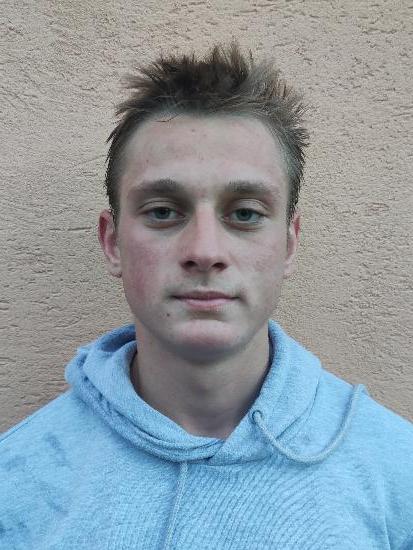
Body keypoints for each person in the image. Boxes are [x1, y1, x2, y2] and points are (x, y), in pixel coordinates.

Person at [1, 43, 412, 550]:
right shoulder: (16, 484)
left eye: (245, 214)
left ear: (289, 244)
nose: (204, 251)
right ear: (112, 243)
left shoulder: (398, 475)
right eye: (162, 211)